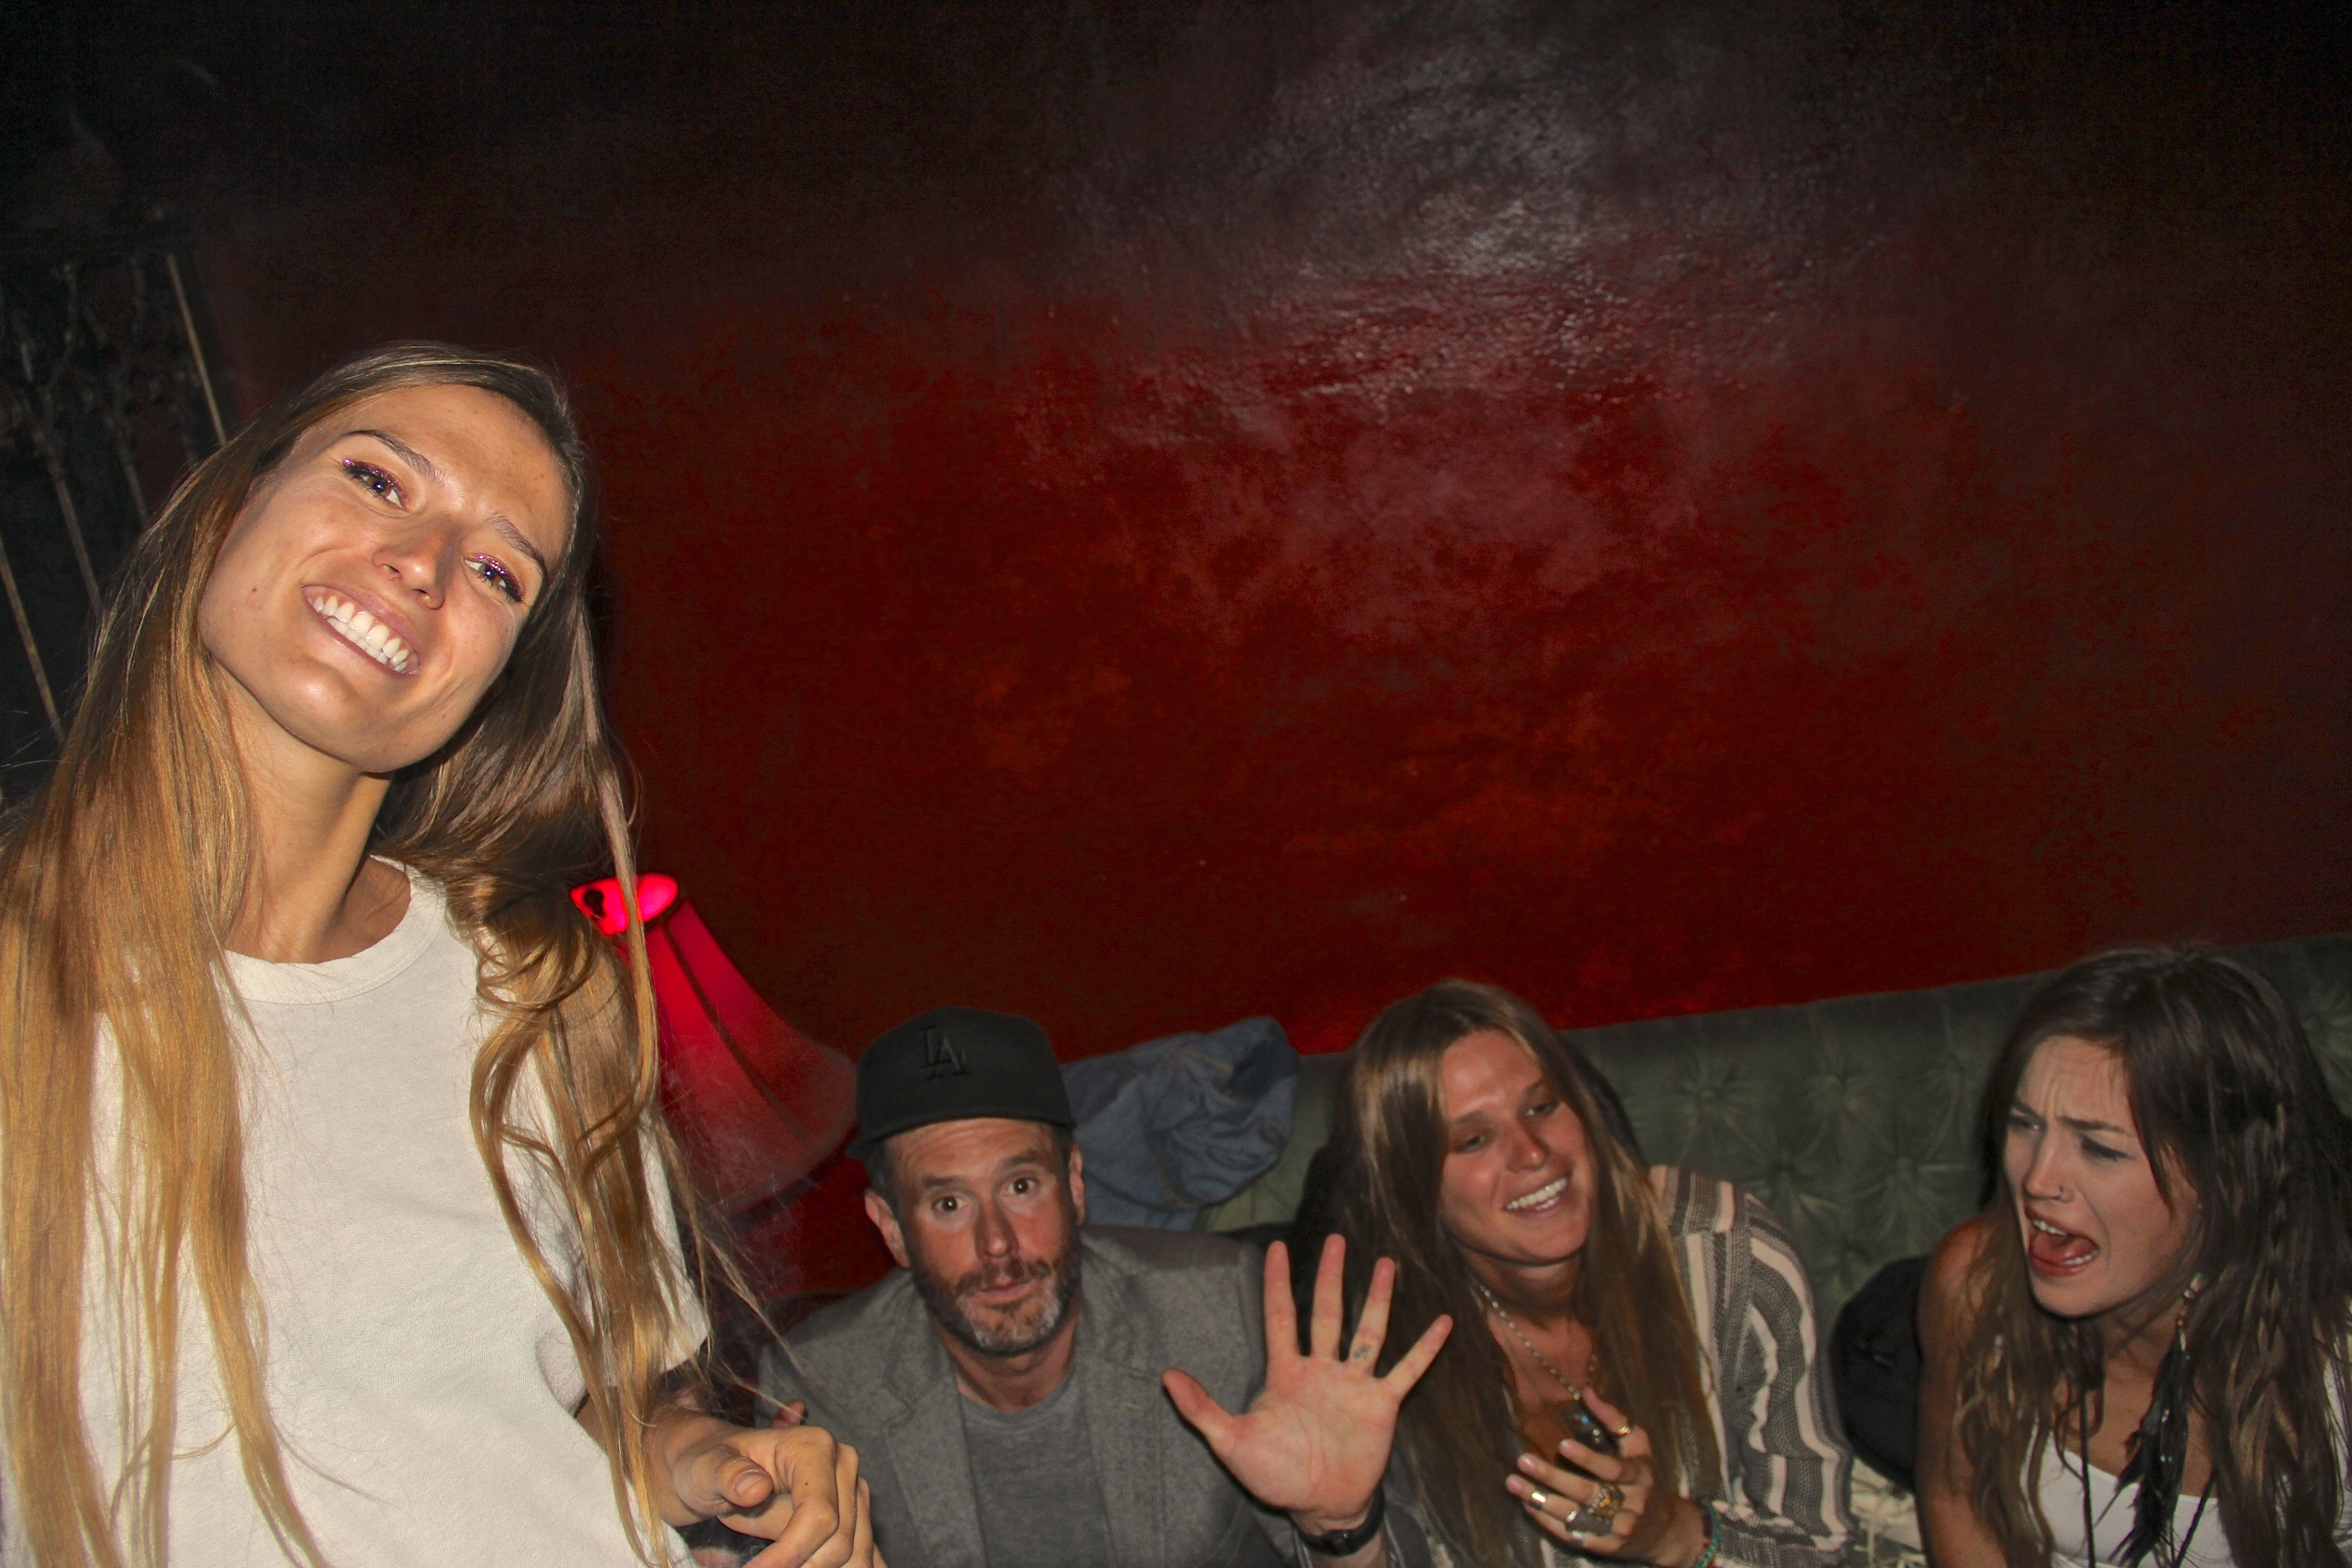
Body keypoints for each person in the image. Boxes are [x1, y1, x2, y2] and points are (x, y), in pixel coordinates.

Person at [0, 345, 873, 1568]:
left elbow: (583, 1408)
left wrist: (702, 1459)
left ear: (499, 682)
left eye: (499, 571)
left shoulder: (536, 995)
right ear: (233, 500)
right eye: (378, 480)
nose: (424, 563)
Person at [759, 1005, 1452, 1568]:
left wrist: (1340, 1529)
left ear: (1076, 1185)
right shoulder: (822, 1386)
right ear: (891, 1228)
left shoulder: (1223, 1311)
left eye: (1021, 1187)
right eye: (949, 1204)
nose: (997, 1243)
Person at [1231, 980, 1854, 1568]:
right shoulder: (1384, 1351)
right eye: (1473, 1141)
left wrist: (1674, 1533)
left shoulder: (1727, 1250)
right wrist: (1341, 1526)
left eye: (1543, 1106)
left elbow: (1823, 1551)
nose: (1533, 1152)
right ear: (1411, 1187)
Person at [1916, 946, 2352, 1566]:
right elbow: (1959, 1501)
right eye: (2025, 1124)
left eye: (2100, 1148)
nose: (2038, 1179)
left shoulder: (2335, 1355)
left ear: (2225, 1176)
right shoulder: (1975, 1283)